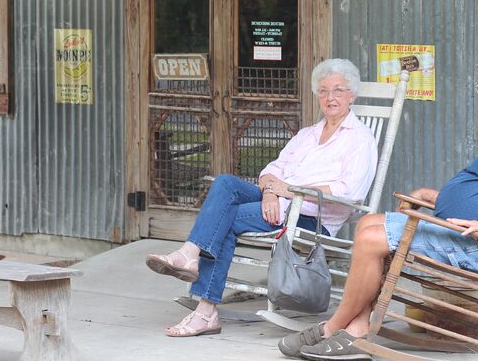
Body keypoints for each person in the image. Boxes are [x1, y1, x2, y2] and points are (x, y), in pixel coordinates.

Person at [278, 55, 478, 360]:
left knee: (370, 238)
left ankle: (331, 327)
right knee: (369, 224)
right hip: (464, 236)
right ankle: (358, 327)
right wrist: (441, 198)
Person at [145, 58, 378, 338]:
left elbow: (350, 191)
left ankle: (204, 307)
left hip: (310, 218)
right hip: (278, 200)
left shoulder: (360, 138)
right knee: (225, 183)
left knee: (225, 219)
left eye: (338, 90)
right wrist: (270, 191)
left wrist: (289, 192)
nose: (330, 97)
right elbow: (273, 169)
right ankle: (190, 257)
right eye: (324, 91)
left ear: (351, 94)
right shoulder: (307, 134)